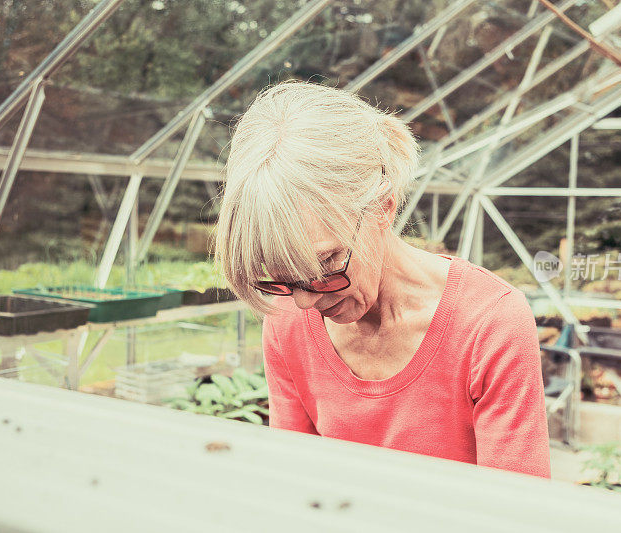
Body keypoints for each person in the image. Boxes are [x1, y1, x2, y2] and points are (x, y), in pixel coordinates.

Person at [214, 80, 550, 479]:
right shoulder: (286, 319)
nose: (305, 302)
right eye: (283, 278)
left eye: (327, 264)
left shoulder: (488, 323)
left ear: (383, 208)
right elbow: (291, 480)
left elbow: (518, 508)